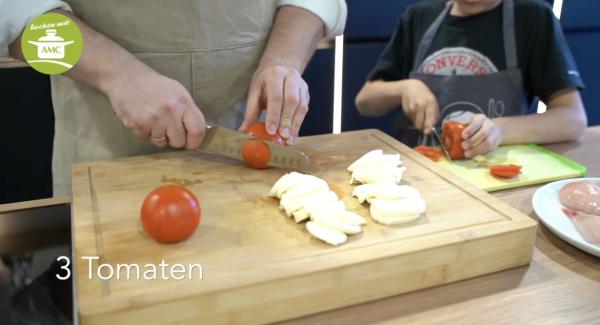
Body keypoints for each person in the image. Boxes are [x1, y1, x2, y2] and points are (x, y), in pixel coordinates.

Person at [1, 0, 347, 195]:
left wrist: (284, 60)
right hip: (104, 149)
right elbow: (14, 17)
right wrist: (119, 75)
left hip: (246, 145)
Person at [355, 0, 587, 158]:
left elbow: (572, 119)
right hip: (419, 171)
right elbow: (365, 102)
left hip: (492, 175)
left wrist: (499, 130)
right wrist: (405, 87)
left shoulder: (532, 17)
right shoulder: (418, 17)